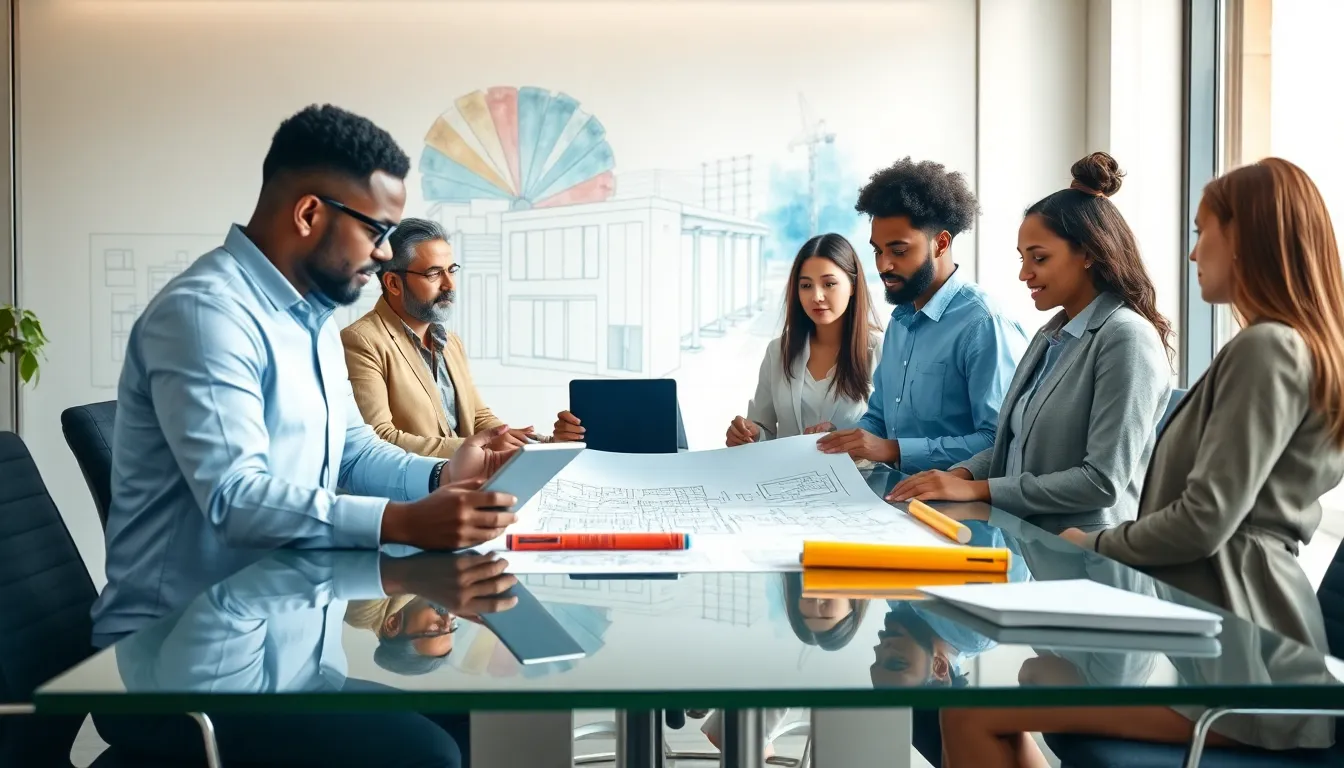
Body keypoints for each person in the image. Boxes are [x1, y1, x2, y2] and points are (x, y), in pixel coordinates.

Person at [91, 105, 520, 766]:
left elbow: (350, 450)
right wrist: (405, 521)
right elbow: (236, 499)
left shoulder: (313, 320)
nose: (385, 255)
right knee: (430, 755)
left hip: (291, 648)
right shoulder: (207, 314)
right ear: (309, 214)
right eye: (377, 231)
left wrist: (441, 475)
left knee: (477, 722)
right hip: (183, 674)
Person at [940, 157, 1344, 767]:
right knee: (1022, 681)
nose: (1193, 253)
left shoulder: (1267, 348)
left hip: (1249, 674)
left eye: (1203, 232)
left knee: (970, 709)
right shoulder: (1284, 344)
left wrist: (1095, 544)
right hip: (1222, 642)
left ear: (1246, 238)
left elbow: (1203, 519)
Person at [887, 153, 1174, 534]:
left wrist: (978, 489)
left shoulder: (1126, 338)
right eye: (1022, 258)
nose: (1024, 274)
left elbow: (1101, 482)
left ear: (1089, 253)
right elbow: (1014, 445)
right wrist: (960, 474)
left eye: (1039, 258)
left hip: (1085, 552)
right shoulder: (1051, 335)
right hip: (1031, 542)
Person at [815, 158, 1027, 472]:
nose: (883, 265)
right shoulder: (900, 322)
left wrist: (893, 450)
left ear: (941, 243)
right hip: (897, 496)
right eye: (877, 250)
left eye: (898, 251)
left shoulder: (985, 324)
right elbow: (880, 420)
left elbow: (1000, 441)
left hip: (957, 502)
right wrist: (844, 440)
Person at [343, 217, 536, 458]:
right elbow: (379, 438)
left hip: (470, 474)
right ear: (393, 283)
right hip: (420, 480)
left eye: (451, 270)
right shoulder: (361, 341)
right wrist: (478, 449)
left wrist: (530, 442)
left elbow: (477, 416)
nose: (449, 284)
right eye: (434, 273)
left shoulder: (451, 342)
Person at [723, 233, 883, 447]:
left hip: (854, 468)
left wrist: (840, 436)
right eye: (806, 286)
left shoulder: (879, 351)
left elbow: (889, 434)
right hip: (786, 468)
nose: (817, 296)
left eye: (829, 284)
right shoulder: (778, 351)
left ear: (852, 285)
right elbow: (764, 428)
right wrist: (749, 434)